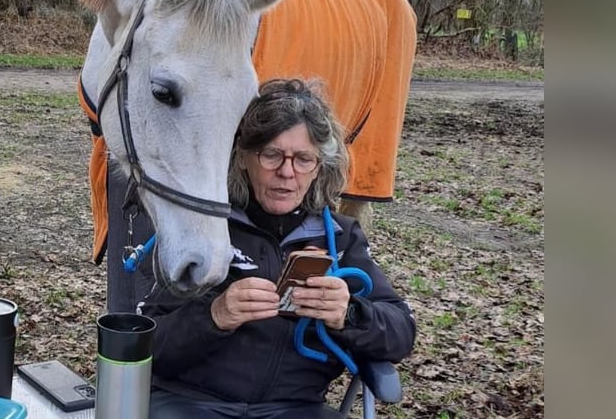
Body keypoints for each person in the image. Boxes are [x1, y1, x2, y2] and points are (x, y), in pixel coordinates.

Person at [140, 78, 416, 418]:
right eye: (271, 155)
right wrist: (215, 316)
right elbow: (145, 345)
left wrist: (349, 313)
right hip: (191, 401)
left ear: (318, 168)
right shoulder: (203, 230)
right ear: (243, 157)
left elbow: (401, 331)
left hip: (295, 407)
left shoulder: (341, 238)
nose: (287, 172)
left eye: (303, 159)